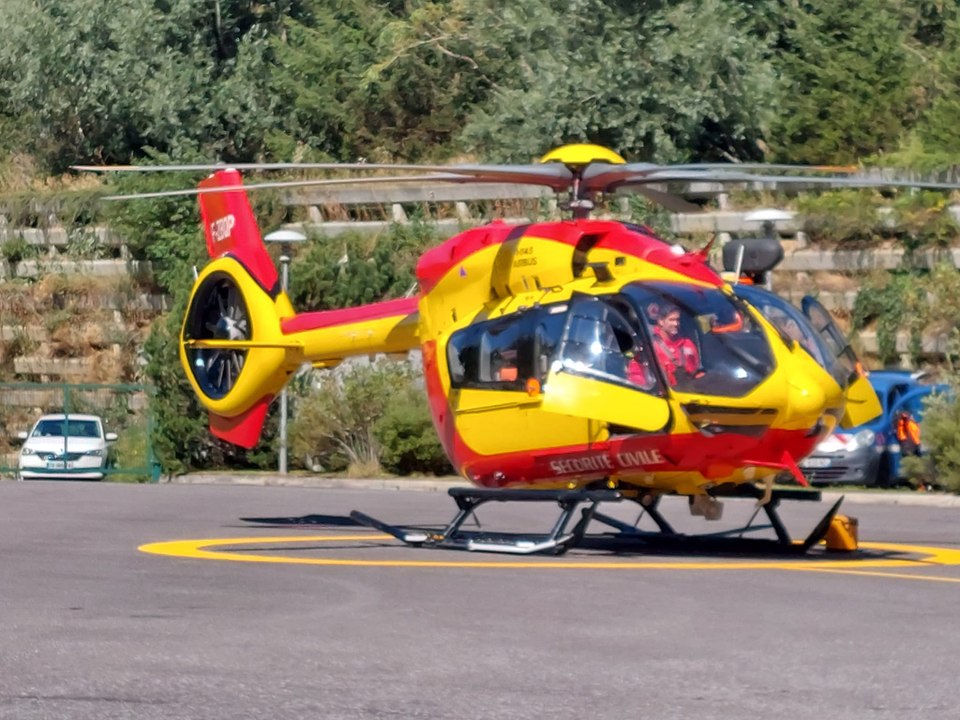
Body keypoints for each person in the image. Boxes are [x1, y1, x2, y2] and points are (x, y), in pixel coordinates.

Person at [651, 303, 700, 386]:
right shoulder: (651, 345)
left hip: (689, 391)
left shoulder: (687, 343)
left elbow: (696, 370)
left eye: (677, 320)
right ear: (661, 321)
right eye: (671, 320)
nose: (676, 324)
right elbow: (639, 375)